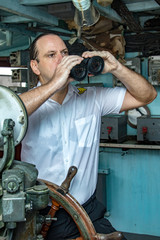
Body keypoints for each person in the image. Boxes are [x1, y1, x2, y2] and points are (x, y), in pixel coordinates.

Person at [20, 33, 157, 240]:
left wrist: (117, 68)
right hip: (45, 214)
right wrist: (55, 84)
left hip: (88, 210)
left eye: (64, 53)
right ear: (35, 67)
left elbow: (147, 95)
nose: (62, 59)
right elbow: (7, 113)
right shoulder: (24, 106)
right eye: (51, 55)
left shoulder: (91, 97)